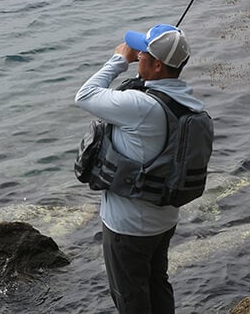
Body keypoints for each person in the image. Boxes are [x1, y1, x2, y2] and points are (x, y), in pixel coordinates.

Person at [75, 23, 204, 314]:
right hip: (163, 219)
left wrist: (119, 59)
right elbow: (150, 91)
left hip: (128, 226)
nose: (137, 55)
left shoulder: (139, 106)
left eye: (142, 53)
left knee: (130, 297)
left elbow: (84, 95)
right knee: (158, 284)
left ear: (157, 64)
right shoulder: (187, 101)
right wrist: (142, 67)